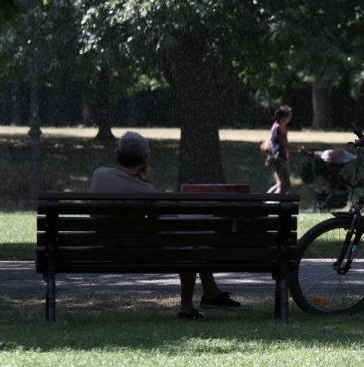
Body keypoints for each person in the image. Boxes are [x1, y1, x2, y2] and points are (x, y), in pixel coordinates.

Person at [89, 131, 242, 320]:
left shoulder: (99, 175)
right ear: (146, 158)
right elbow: (161, 215)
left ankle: (212, 293)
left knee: (189, 238)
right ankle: (188, 308)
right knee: (188, 241)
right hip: (136, 251)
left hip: (104, 248)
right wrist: (150, 184)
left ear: (116, 154)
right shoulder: (144, 190)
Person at [266, 105, 294, 193]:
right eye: (289, 116)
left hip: (284, 157)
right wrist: (296, 149)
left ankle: (271, 200)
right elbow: (282, 143)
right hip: (278, 158)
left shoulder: (283, 127)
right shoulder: (277, 128)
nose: (290, 118)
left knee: (285, 184)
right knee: (282, 184)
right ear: (283, 118)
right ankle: (270, 202)